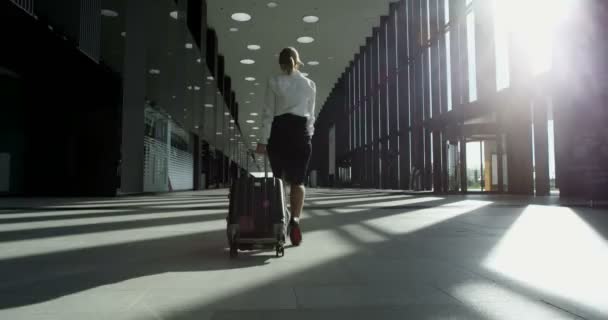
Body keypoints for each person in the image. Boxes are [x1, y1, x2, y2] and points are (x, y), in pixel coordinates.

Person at [256, 47, 316, 246]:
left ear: (280, 64)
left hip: (279, 133)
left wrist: (263, 140)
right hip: (301, 135)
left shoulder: (274, 82)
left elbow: (267, 114)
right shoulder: (309, 84)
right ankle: (296, 220)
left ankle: (280, 220)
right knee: (298, 182)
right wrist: (308, 137)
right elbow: (310, 117)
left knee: (279, 182)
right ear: (298, 62)